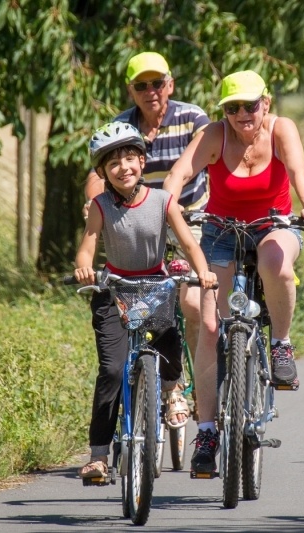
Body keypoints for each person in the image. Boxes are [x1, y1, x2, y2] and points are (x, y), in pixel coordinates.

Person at [163, 70, 304, 473]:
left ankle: (282, 345)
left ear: (265, 104)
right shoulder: (214, 136)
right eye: (232, 107)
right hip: (221, 232)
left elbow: (299, 173)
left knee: (276, 263)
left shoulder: (280, 129)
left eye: (249, 105)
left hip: (275, 225)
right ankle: (206, 433)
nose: (241, 114)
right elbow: (179, 173)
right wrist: (162, 207)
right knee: (208, 325)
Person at [74, 121, 217, 479]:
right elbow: (87, 247)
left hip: (156, 288)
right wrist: (83, 270)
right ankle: (98, 456)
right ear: (103, 172)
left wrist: (204, 273)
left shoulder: (163, 201)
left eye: (129, 158)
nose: (124, 167)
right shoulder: (100, 206)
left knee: (169, 345)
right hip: (113, 292)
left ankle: (171, 391)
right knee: (111, 370)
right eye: (113, 163)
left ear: (141, 161)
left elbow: (188, 243)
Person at [84, 51, 211, 428]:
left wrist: (170, 201)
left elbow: (192, 163)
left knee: (189, 300)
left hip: (187, 216)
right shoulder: (121, 125)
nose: (151, 91)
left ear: (170, 84)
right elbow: (98, 174)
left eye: (157, 83)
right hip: (133, 218)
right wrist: (92, 205)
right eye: (142, 85)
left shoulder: (192, 117)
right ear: (131, 90)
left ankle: (183, 386)